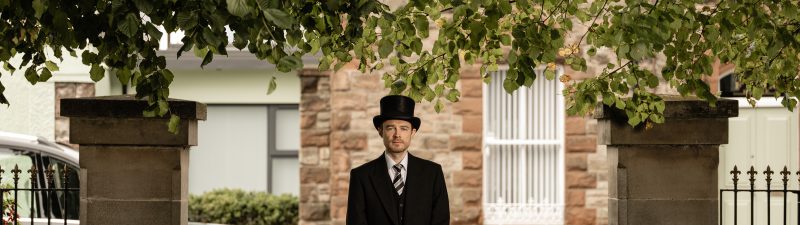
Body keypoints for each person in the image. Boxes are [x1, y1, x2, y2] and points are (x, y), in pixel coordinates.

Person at [346, 95, 450, 225]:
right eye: (390, 128)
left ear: (413, 132)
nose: (397, 134)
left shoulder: (433, 173)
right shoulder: (361, 176)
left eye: (404, 128)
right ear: (380, 131)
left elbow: (441, 221)